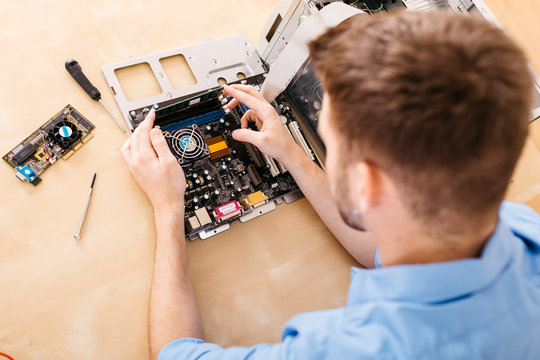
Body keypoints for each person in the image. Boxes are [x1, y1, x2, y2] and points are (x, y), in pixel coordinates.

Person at [121, 10, 540, 360]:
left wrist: (168, 208)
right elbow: (379, 248)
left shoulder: (350, 349)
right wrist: (292, 155)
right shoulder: (517, 225)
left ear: (367, 185)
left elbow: (177, 355)